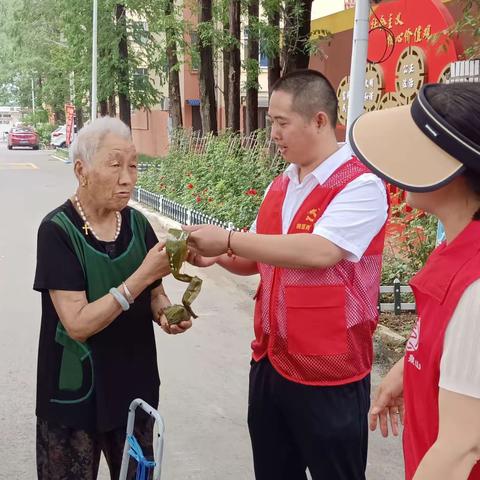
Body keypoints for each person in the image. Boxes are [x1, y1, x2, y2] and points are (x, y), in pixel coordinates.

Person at [184, 69, 389, 479]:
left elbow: (320, 251)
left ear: (319, 120)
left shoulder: (361, 186)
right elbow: (258, 256)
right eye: (270, 123)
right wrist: (217, 255)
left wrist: (227, 238)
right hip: (272, 360)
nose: (273, 134)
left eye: (281, 123)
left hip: (331, 370)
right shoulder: (282, 184)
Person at [34, 116, 192, 480]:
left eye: (133, 166)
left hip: (133, 389)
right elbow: (77, 324)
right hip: (73, 396)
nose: (128, 178)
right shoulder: (57, 231)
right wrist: (142, 277)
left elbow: (156, 293)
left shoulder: (137, 224)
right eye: (115, 165)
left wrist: (166, 313)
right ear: (81, 170)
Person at [350, 82, 480, 479]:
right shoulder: (455, 248)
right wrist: (410, 366)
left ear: (454, 167)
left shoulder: (474, 286)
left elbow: (463, 447)